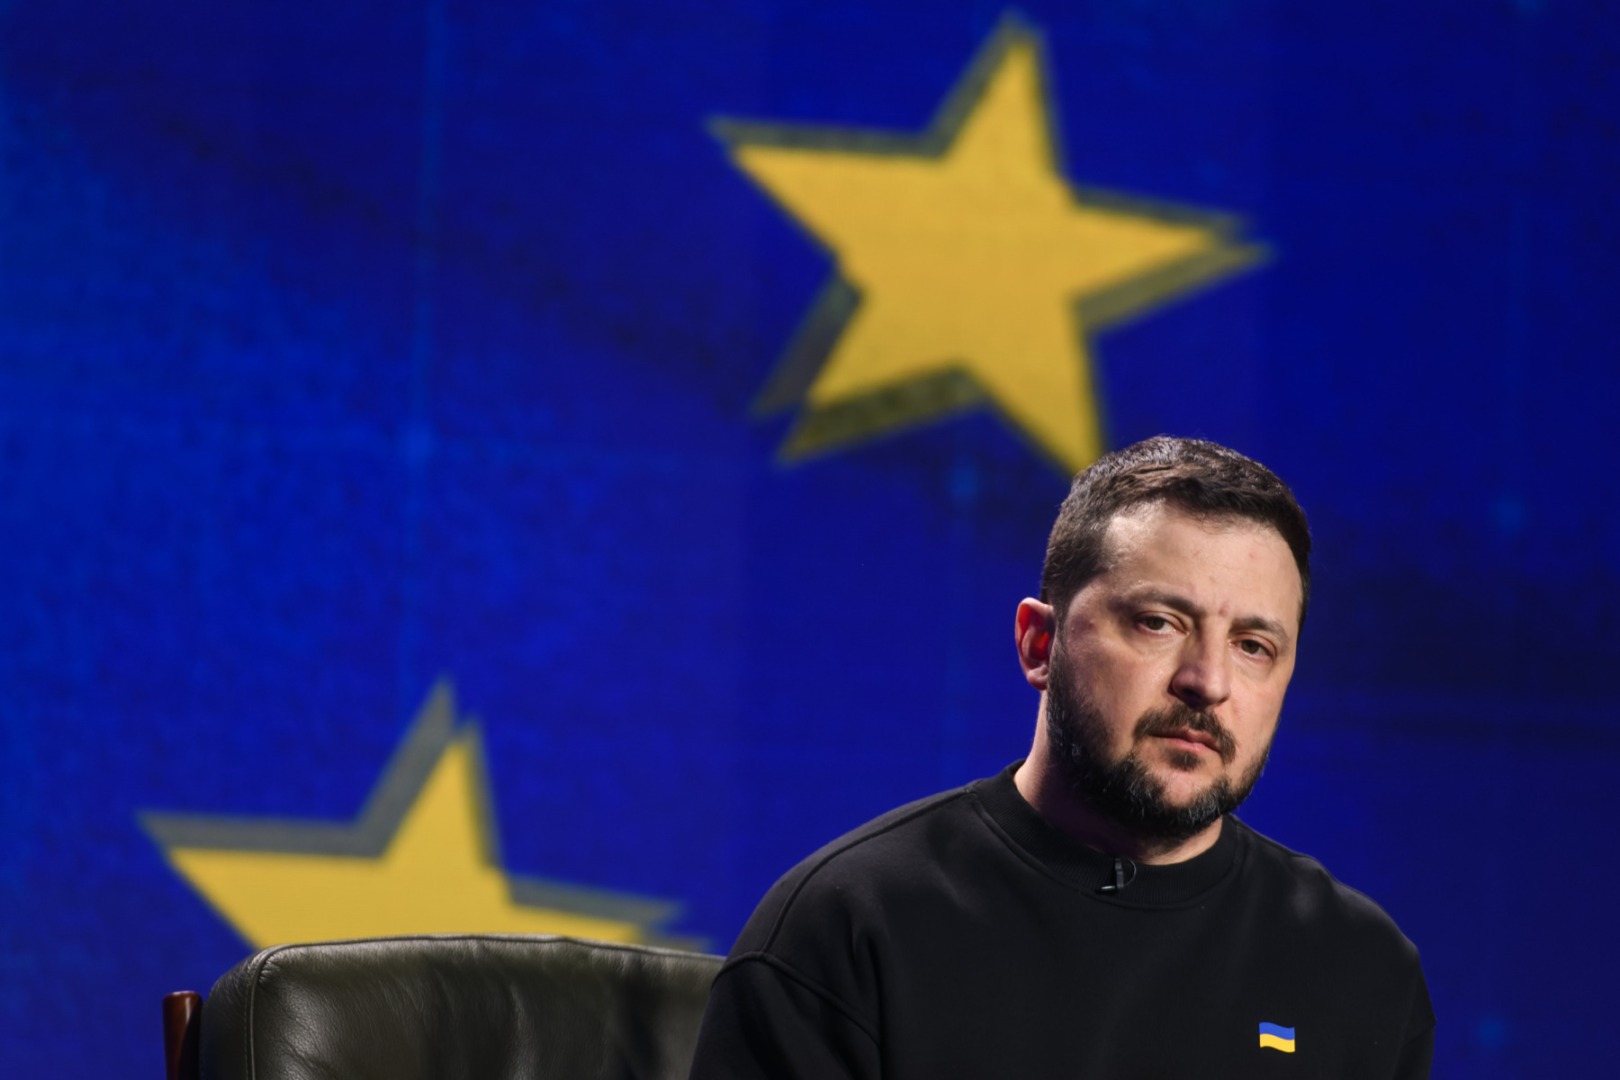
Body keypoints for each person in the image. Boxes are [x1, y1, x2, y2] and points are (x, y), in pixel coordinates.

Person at [688, 436, 1433, 1079]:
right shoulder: (851, 929)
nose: (1208, 681)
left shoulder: (1360, 968)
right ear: (1039, 645)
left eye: (1253, 646)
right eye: (1158, 622)